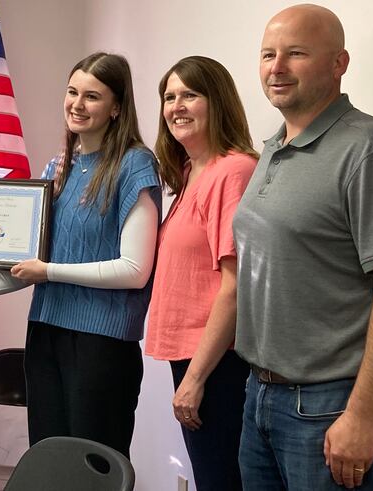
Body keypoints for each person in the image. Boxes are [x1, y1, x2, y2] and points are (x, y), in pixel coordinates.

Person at [0, 52, 161, 458]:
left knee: (91, 464)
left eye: (92, 96)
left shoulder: (135, 164)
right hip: (46, 332)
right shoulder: (57, 168)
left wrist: (49, 271)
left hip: (102, 342)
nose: (77, 104)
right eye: (72, 92)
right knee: (51, 458)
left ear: (116, 107)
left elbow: (134, 270)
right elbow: (27, 267)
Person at [233, 4, 373, 490]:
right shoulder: (272, 146)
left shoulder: (370, 149)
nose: (277, 67)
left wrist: (361, 414)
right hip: (260, 394)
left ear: (339, 63)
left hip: (332, 405)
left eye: (296, 53)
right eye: (268, 54)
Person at [145, 56, 257, 491]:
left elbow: (235, 286)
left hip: (218, 363)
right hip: (191, 355)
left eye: (189, 94)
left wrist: (194, 380)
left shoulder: (234, 171)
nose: (176, 106)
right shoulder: (191, 171)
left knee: (221, 481)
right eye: (169, 97)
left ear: (218, 101)